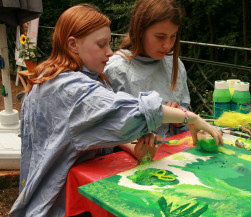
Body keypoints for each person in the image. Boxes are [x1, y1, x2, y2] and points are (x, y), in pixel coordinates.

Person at [9, 4, 223, 217]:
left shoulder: (53, 74)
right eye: (101, 45)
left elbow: (94, 130)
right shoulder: (70, 89)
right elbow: (128, 112)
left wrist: (133, 149)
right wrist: (190, 117)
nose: (110, 52)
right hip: (62, 205)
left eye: (109, 43)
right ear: (73, 44)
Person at [104, 0, 190, 138]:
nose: (167, 45)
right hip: (130, 155)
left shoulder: (174, 63)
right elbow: (106, 127)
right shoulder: (114, 69)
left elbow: (185, 109)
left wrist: (178, 119)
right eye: (160, 37)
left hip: (171, 151)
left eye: (173, 36)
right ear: (140, 31)